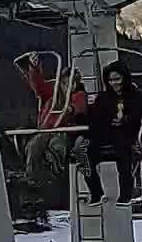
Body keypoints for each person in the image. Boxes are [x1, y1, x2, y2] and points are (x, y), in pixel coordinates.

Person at [82, 60, 142, 205]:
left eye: (117, 79)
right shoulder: (103, 98)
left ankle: (125, 195)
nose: (113, 83)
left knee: (124, 155)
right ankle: (96, 192)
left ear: (125, 78)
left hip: (129, 135)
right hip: (107, 135)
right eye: (110, 80)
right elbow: (94, 116)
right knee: (84, 155)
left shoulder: (137, 96)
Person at [16, 54, 88, 190]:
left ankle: (54, 173)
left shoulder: (79, 95)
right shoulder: (54, 92)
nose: (69, 87)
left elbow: (80, 107)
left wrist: (70, 109)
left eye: (73, 83)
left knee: (57, 146)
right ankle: (31, 175)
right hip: (46, 129)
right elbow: (39, 86)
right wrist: (34, 67)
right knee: (34, 145)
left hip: (64, 131)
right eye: (66, 83)